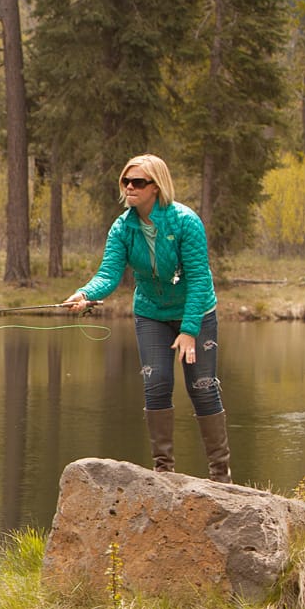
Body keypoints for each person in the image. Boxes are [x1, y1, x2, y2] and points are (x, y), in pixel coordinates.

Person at [63, 154, 228, 480]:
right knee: (157, 384)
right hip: (151, 313)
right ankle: (163, 473)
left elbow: (199, 279)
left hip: (196, 313)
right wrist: (85, 294)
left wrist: (189, 330)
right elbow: (108, 274)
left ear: (157, 187)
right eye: (126, 181)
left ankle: (221, 477)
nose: (129, 187)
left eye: (138, 182)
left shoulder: (185, 222)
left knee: (203, 387)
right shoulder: (122, 227)